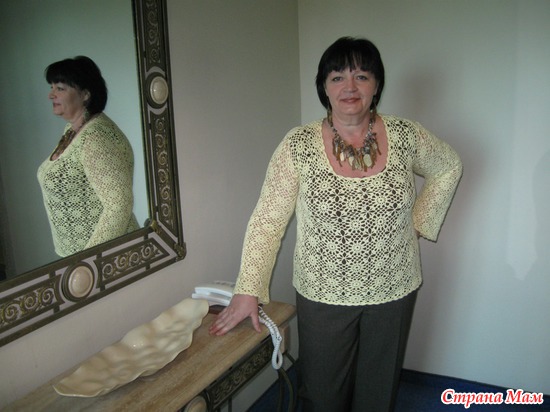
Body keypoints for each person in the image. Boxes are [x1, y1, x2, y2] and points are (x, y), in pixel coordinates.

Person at [210, 37, 463, 411]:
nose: (350, 87)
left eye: (362, 76)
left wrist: (419, 224)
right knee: (323, 392)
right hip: (323, 292)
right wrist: (248, 288)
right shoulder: (298, 145)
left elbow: (448, 166)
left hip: (394, 284)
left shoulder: (406, 135)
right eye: (337, 77)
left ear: (376, 85)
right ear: (324, 87)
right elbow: (267, 219)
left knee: (378, 390)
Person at [37, 56, 139, 257]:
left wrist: (87, 262)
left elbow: (119, 206)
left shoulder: (95, 137)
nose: (51, 94)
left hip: (107, 259)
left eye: (60, 88)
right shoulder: (73, 131)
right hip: (82, 258)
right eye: (51, 87)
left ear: (85, 94)